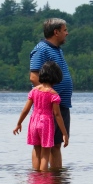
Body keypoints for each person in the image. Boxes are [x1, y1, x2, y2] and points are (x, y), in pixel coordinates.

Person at [29, 18, 73, 169]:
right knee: (41, 146)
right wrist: (48, 97)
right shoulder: (41, 49)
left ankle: (56, 181)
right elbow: (34, 77)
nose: (67, 33)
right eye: (64, 30)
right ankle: (40, 179)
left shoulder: (57, 49)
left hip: (61, 106)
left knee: (56, 144)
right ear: (56, 32)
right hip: (49, 108)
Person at [14, 61, 69, 172]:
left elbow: (26, 110)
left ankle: (36, 177)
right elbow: (57, 115)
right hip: (46, 124)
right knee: (45, 153)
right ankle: (43, 179)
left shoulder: (34, 91)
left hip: (33, 123)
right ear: (56, 77)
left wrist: (19, 123)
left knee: (37, 150)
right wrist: (64, 133)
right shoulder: (53, 94)